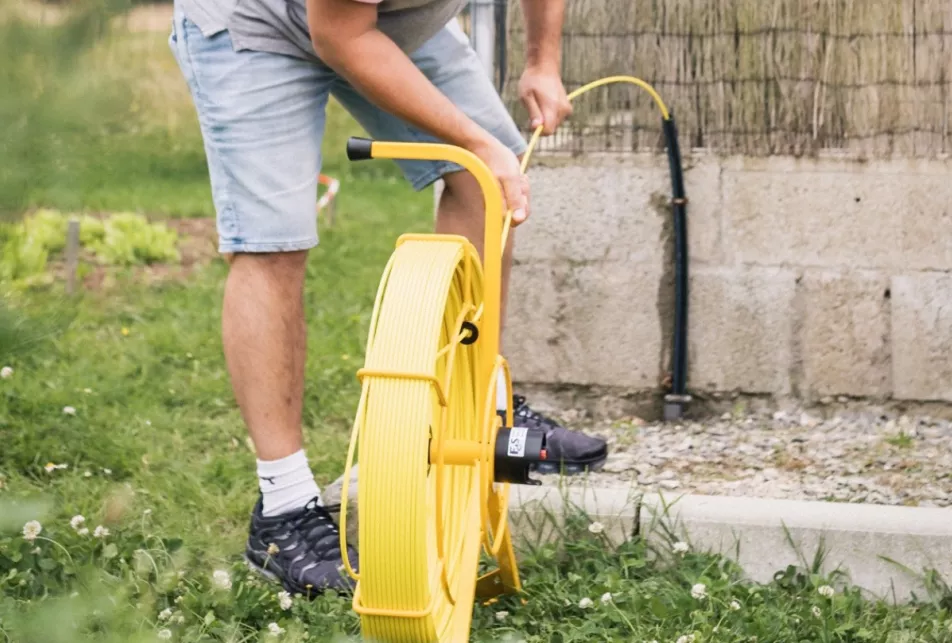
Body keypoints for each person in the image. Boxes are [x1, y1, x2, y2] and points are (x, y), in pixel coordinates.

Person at [167, 0, 608, 595]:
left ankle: (477, 408)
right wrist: (475, 142)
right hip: (255, 22)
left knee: (489, 190)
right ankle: (284, 508)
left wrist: (542, 62)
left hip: (389, 21)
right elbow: (341, 34)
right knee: (270, 242)